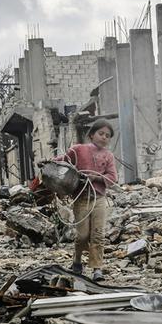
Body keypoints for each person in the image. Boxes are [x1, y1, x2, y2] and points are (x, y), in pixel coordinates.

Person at [51, 119, 117, 280]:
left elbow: (113, 177)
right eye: (101, 134)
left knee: (98, 234)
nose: (104, 138)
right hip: (81, 199)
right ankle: (77, 260)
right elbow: (63, 161)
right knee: (82, 235)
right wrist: (48, 163)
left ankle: (97, 269)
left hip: (99, 199)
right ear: (91, 135)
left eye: (107, 136)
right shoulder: (78, 150)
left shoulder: (108, 156)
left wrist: (97, 177)